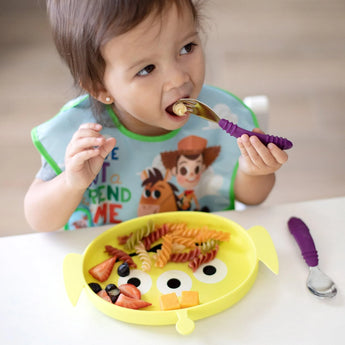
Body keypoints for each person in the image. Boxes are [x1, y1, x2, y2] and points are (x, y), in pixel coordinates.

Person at [24, 0, 288, 231]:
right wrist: (71, 183)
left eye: (187, 48)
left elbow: (252, 199)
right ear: (100, 88)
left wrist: (253, 171)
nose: (178, 79)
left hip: (198, 254)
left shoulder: (219, 117)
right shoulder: (83, 137)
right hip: (115, 271)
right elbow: (39, 219)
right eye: (147, 69)